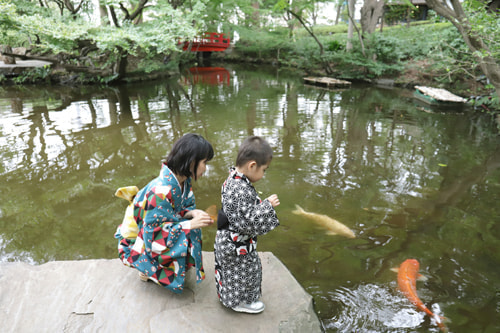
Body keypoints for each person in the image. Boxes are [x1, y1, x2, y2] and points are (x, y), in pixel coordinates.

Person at [114, 133, 215, 293]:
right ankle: (145, 267)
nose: (205, 168)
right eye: (204, 162)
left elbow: (179, 209)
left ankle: (168, 264)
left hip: (157, 228)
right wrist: (188, 224)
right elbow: (153, 235)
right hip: (139, 241)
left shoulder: (183, 181)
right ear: (192, 162)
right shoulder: (159, 192)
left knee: (190, 227)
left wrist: (192, 213)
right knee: (187, 228)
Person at [214, 136, 280, 313]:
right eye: (264, 170)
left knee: (230, 273)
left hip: (226, 238)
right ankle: (241, 302)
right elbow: (247, 222)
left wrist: (260, 204)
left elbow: (241, 213)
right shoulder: (240, 188)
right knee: (246, 272)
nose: (264, 174)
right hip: (236, 244)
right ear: (252, 166)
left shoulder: (232, 179)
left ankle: (228, 296)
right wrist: (267, 206)